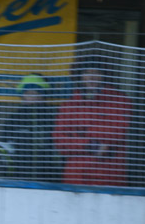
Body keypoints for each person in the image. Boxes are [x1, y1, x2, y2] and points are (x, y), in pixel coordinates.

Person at [53, 52, 131, 186]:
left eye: (96, 72)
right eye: (87, 72)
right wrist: (90, 144)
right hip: (76, 177)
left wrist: (77, 135)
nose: (91, 77)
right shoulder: (68, 105)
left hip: (108, 176)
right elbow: (60, 141)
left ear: (104, 75)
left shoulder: (120, 101)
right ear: (80, 75)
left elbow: (115, 133)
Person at [0, 73, 59, 182]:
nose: (31, 96)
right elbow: (3, 148)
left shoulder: (54, 117)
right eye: (28, 92)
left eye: (35, 92)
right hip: (19, 178)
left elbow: (60, 148)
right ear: (22, 95)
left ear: (43, 95)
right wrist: (7, 175)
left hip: (49, 178)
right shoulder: (14, 119)